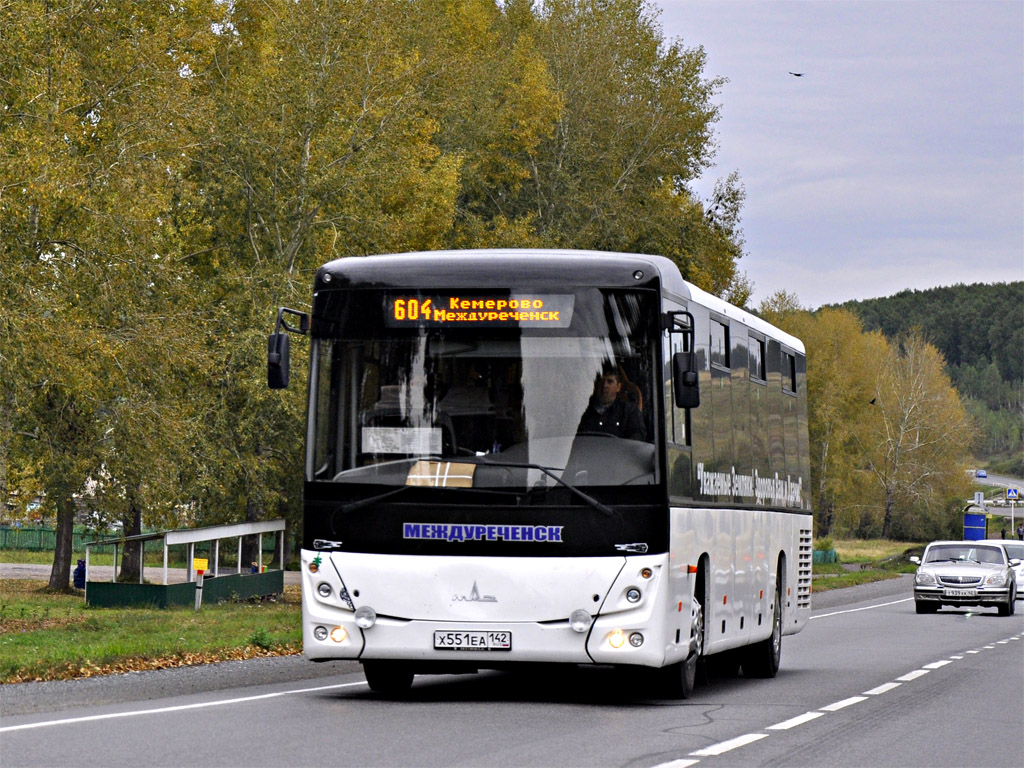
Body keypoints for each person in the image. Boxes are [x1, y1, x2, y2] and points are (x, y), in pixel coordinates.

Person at [577, 368, 645, 440]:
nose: (604, 385)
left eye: (610, 382)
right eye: (601, 380)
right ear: (595, 383)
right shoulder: (581, 409)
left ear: (618, 387)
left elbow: (637, 438)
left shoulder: (629, 411)